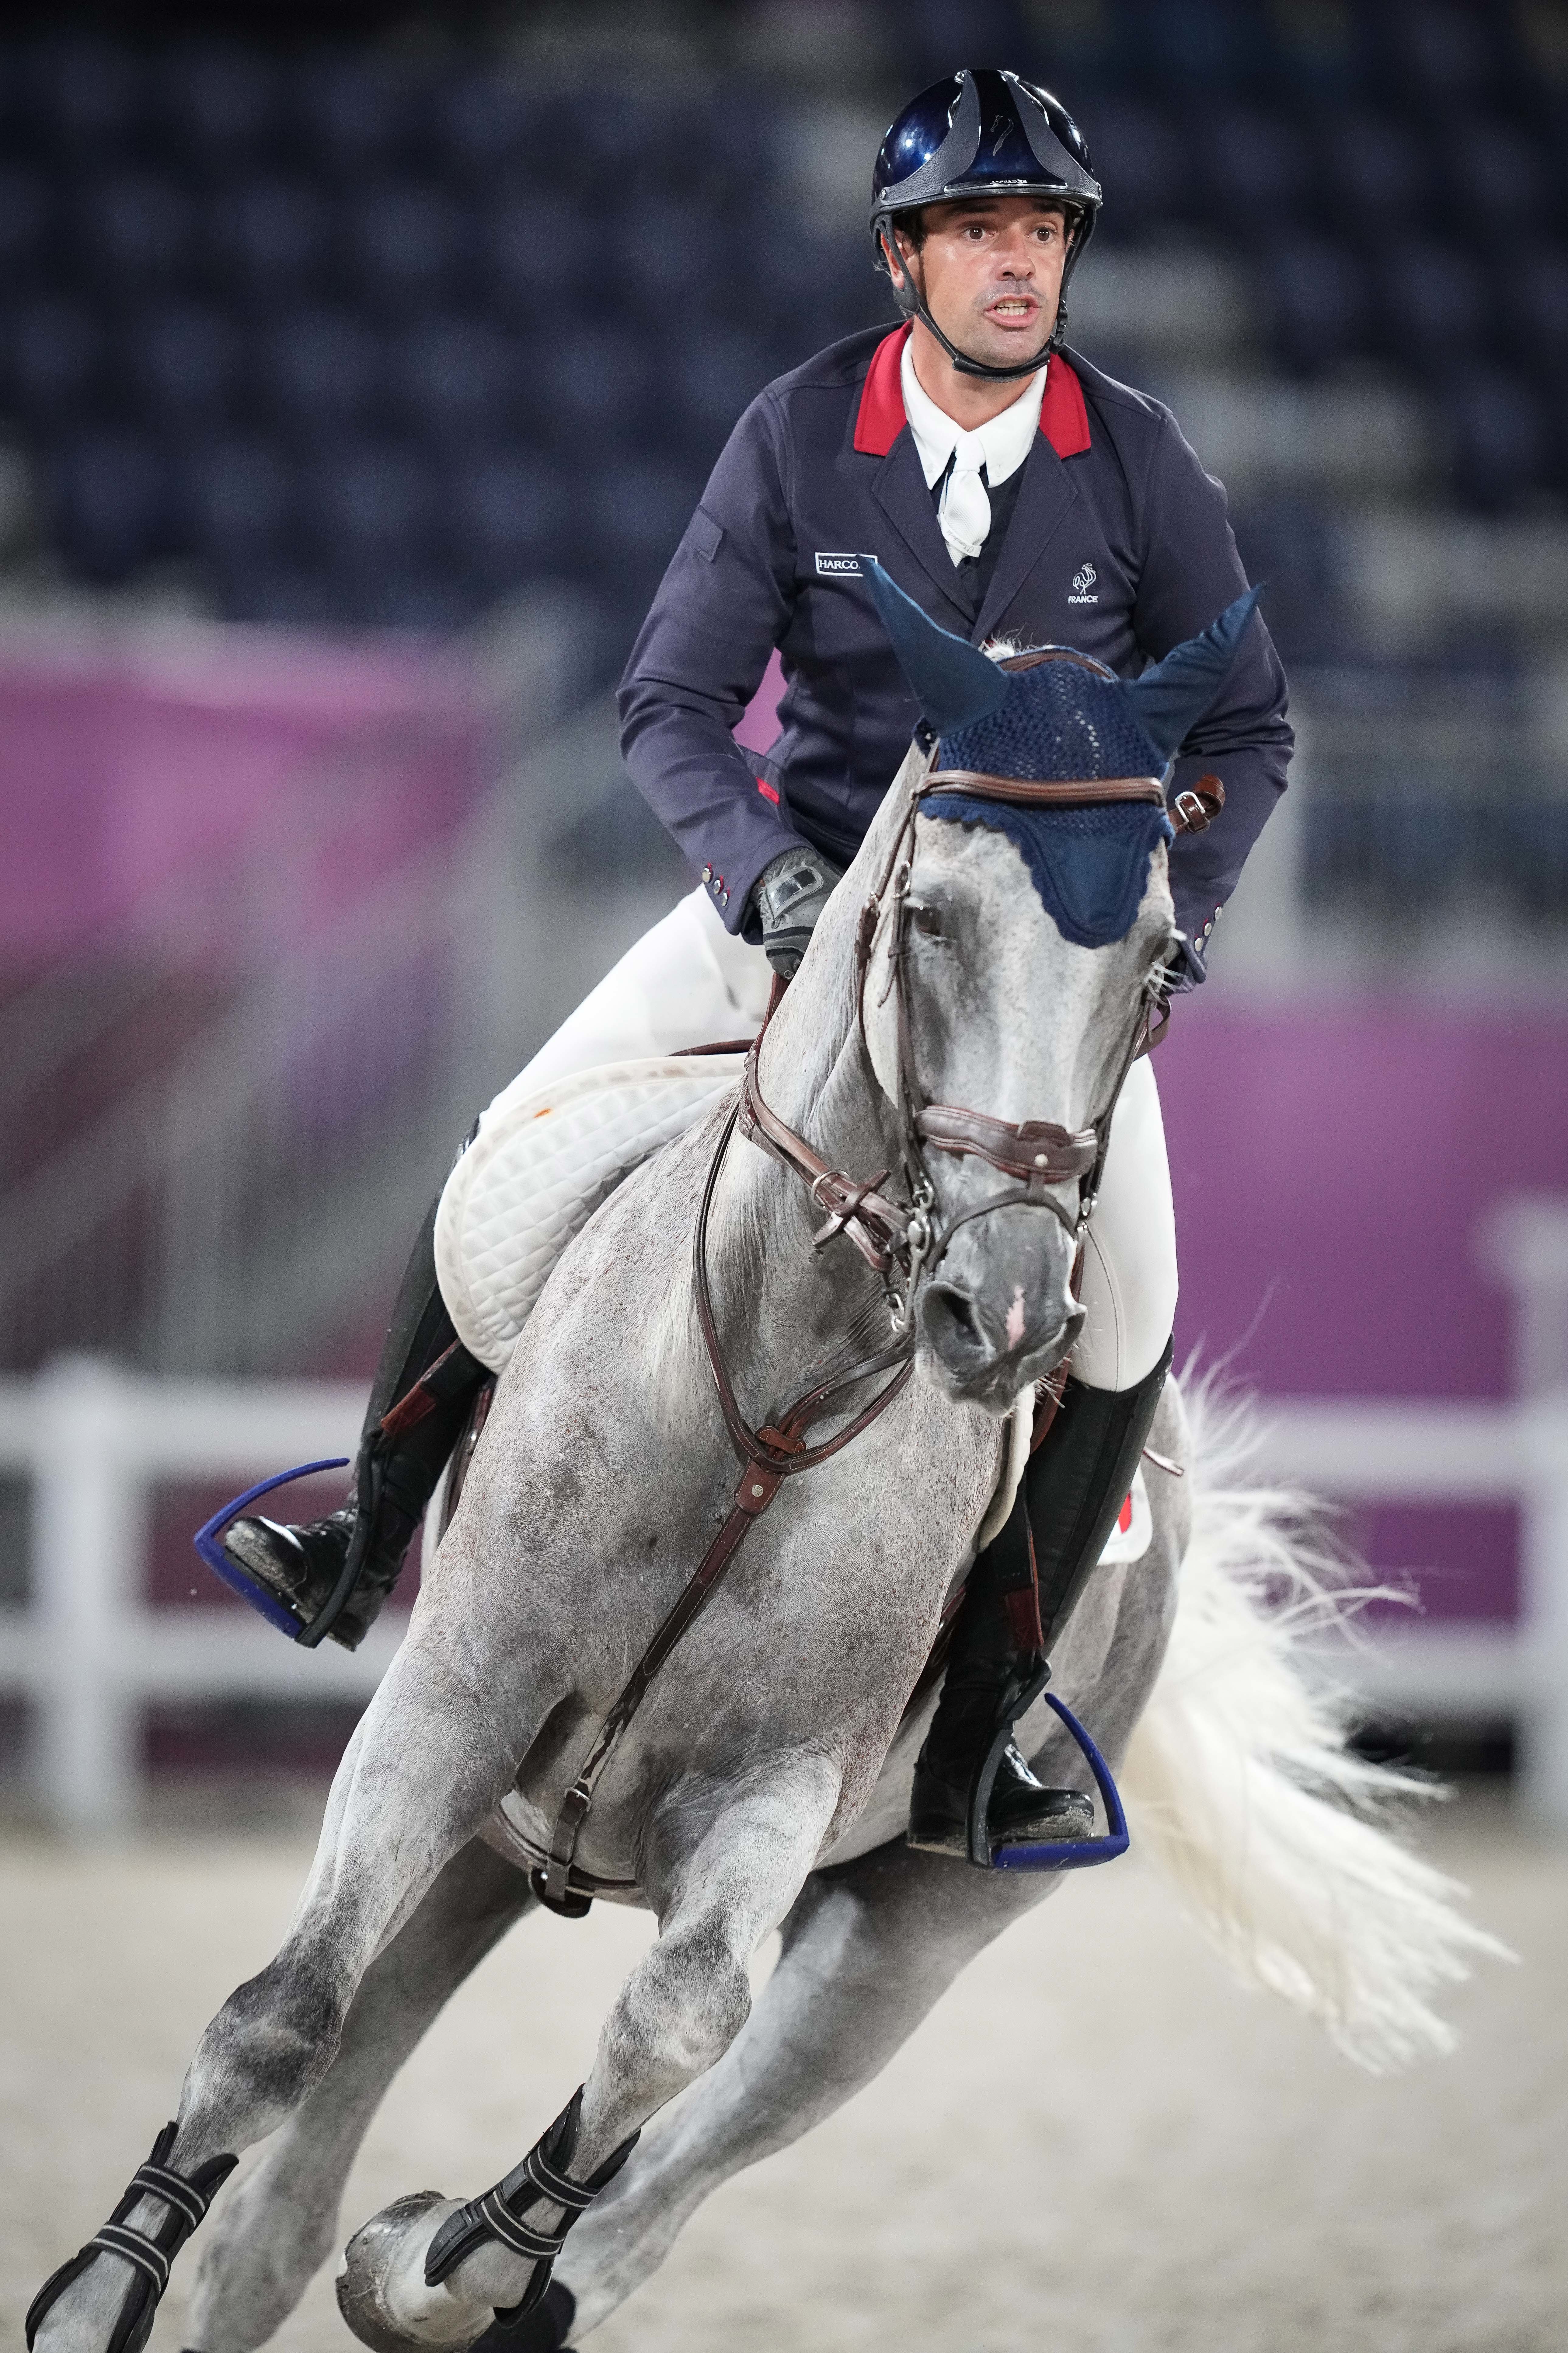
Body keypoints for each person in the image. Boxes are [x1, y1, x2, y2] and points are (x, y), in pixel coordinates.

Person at [224, 66, 1292, 1862]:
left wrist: (1156, 917)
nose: (1019, 266)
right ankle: (364, 1527)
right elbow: (669, 704)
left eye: (1041, 234)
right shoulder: (797, 439)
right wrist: (765, 879)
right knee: (507, 1150)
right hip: (792, 918)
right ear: (903, 259)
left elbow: (1246, 726)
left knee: (1123, 1314)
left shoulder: (1140, 461)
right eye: (979, 233)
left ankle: (983, 1725)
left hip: (1026, 970)